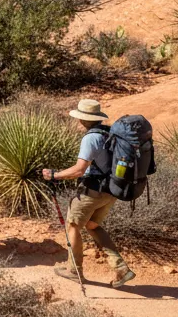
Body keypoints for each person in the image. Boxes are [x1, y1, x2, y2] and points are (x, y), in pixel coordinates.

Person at [41, 99, 136, 287]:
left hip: (93, 191)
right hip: (112, 190)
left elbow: (78, 169)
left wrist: (55, 175)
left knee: (73, 225)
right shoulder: (109, 133)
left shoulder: (91, 138)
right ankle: (121, 268)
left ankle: (74, 270)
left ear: (83, 119)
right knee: (92, 225)